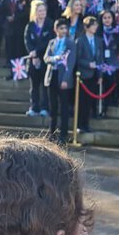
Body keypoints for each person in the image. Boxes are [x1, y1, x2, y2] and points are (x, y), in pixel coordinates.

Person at [44, 16, 76, 144]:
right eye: (61, 28)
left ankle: (63, 135)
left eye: (65, 28)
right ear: (56, 29)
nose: (63, 30)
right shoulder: (52, 42)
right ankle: (51, 133)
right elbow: (46, 58)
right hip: (52, 76)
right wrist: (54, 58)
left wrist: (66, 79)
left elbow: (71, 62)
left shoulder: (70, 43)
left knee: (64, 107)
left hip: (63, 77)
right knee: (53, 107)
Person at [24, 0, 53, 117]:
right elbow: (27, 40)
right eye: (40, 11)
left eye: (44, 10)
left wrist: (37, 51)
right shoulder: (30, 25)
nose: (42, 13)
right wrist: (32, 53)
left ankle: (45, 107)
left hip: (44, 58)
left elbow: (49, 41)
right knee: (34, 85)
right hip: (32, 59)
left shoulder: (50, 24)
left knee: (44, 85)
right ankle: (34, 107)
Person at [76, 16, 104, 132]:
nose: (95, 27)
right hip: (83, 75)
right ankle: (79, 124)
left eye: (96, 25)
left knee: (89, 101)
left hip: (94, 75)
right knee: (82, 101)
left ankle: (86, 124)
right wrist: (88, 64)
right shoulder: (80, 40)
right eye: (93, 25)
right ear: (87, 27)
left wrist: (100, 75)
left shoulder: (98, 40)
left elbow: (100, 58)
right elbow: (77, 58)